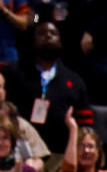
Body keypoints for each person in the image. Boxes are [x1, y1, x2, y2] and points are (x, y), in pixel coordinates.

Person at [5, 20, 88, 159]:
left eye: (53, 33)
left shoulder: (74, 81)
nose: (48, 36)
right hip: (21, 153)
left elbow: (85, 125)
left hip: (61, 154)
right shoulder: (14, 73)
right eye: (42, 33)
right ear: (33, 40)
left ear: (61, 41)